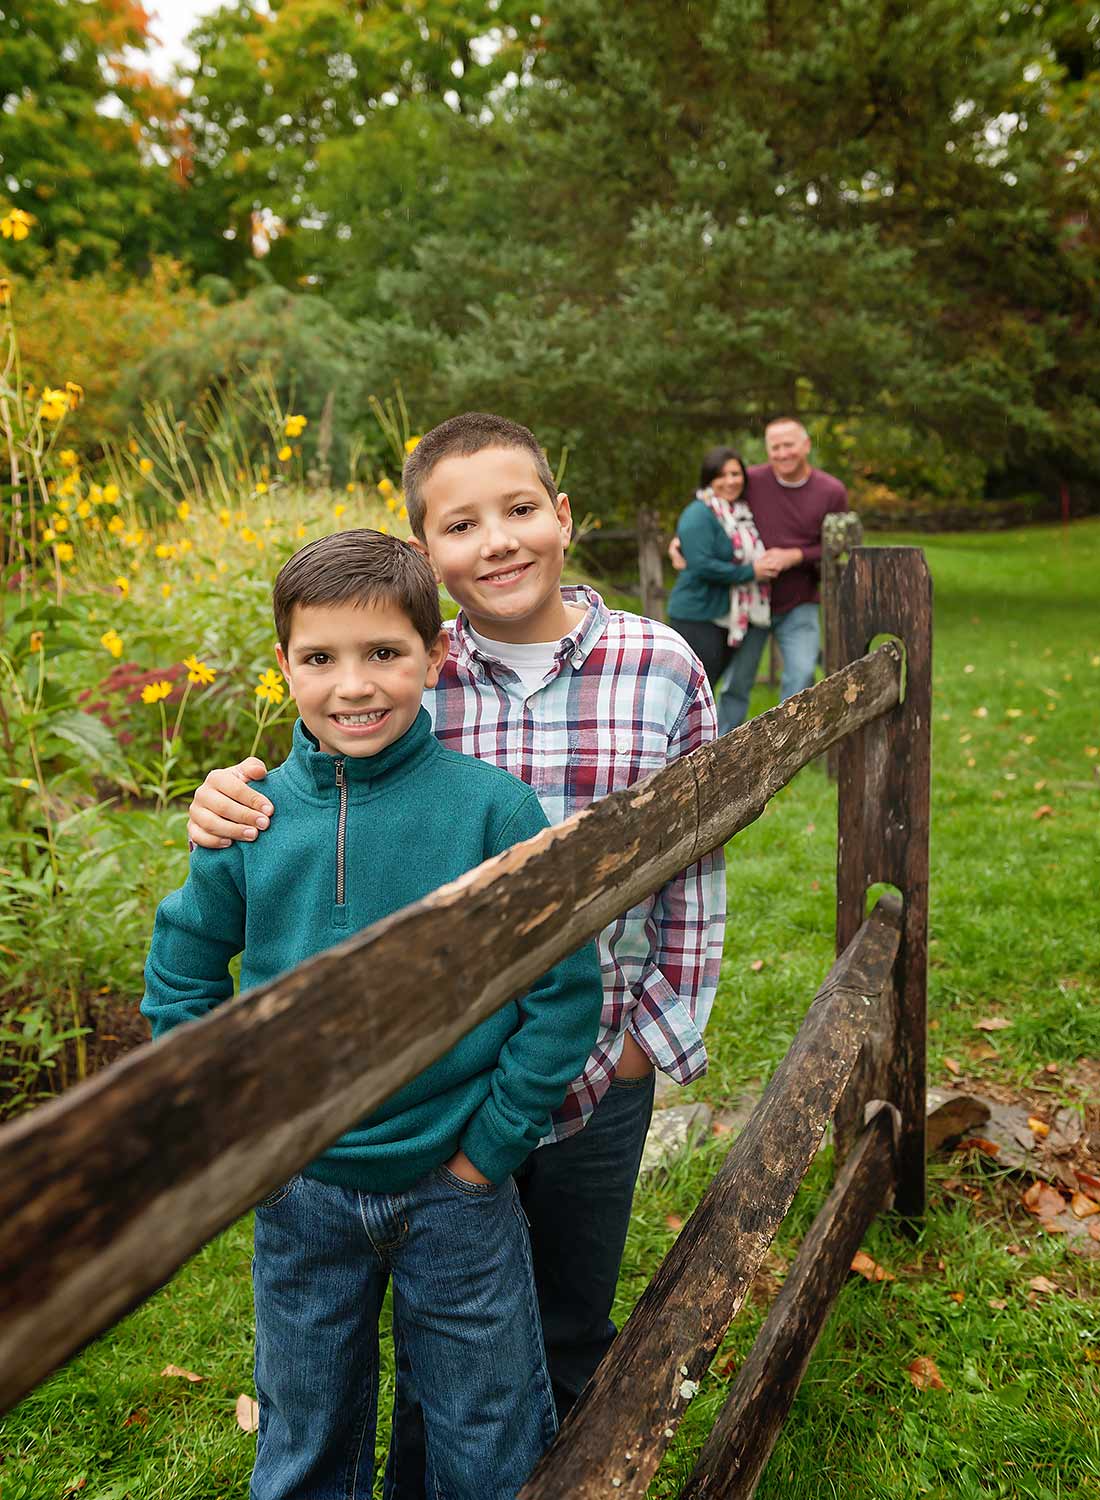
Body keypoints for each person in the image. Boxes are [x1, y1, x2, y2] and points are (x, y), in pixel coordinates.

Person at [185, 413, 726, 1452]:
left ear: (562, 517)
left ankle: (569, 1461)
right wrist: (224, 797)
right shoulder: (410, 666)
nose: (498, 541)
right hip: (439, 1081)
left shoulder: (658, 667)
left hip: (595, 1049)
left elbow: (694, 856)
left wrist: (646, 1038)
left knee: (567, 1304)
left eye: (520, 510)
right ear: (428, 557)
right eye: (462, 524)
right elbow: (324, 779)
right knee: (448, 1328)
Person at [142, 528, 604, 1500]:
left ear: (433, 656)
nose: (352, 685)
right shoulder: (253, 821)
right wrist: (237, 1125)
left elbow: (560, 994)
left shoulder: (492, 814)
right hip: (302, 1190)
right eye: (319, 659)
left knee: (487, 1430)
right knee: (308, 1429)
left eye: (383, 653)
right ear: (284, 668)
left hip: (457, 1190)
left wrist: (490, 1146)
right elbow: (183, 972)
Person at [671, 418, 848, 730]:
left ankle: (790, 743)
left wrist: (796, 556)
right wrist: (679, 542)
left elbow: (841, 545)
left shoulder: (830, 491)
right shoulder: (750, 481)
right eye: (775, 447)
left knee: (802, 674)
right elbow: (710, 510)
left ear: (806, 445)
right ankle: (719, 747)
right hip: (750, 606)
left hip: (799, 601)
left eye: (789, 445)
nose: (782, 453)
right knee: (737, 683)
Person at [666, 446, 781, 718]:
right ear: (708, 480)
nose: (730, 481)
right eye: (721, 475)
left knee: (711, 687)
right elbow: (702, 565)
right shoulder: (699, 513)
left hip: (726, 615)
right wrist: (752, 572)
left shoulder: (741, 512)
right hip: (697, 614)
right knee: (692, 691)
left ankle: (709, 747)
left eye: (735, 473)